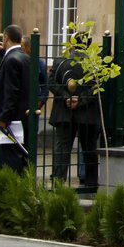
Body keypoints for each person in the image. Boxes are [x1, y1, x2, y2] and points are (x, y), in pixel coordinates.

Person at [49, 29, 101, 190]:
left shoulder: (60, 61)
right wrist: (81, 100)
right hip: (86, 114)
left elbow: (51, 83)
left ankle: (58, 183)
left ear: (72, 44)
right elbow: (97, 88)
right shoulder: (94, 63)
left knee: (62, 150)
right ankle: (91, 184)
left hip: (64, 112)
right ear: (89, 44)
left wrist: (66, 96)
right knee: (89, 150)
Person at [0, 25, 30, 172]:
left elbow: (11, 93)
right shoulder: (24, 57)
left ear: (6, 38)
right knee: (19, 157)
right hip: (21, 117)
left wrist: (4, 119)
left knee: (10, 161)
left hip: (9, 122)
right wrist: (3, 52)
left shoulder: (11, 60)